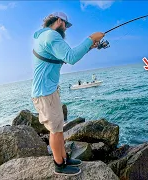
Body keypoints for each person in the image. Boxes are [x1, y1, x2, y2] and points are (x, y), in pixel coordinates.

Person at [31, 12, 104, 176]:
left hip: (48, 91)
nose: (66, 29)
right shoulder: (51, 35)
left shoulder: (45, 36)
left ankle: (64, 157)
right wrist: (90, 38)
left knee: (58, 127)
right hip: (45, 93)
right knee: (55, 130)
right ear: (59, 21)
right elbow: (71, 57)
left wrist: (88, 48)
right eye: (66, 25)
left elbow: (67, 56)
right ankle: (59, 165)